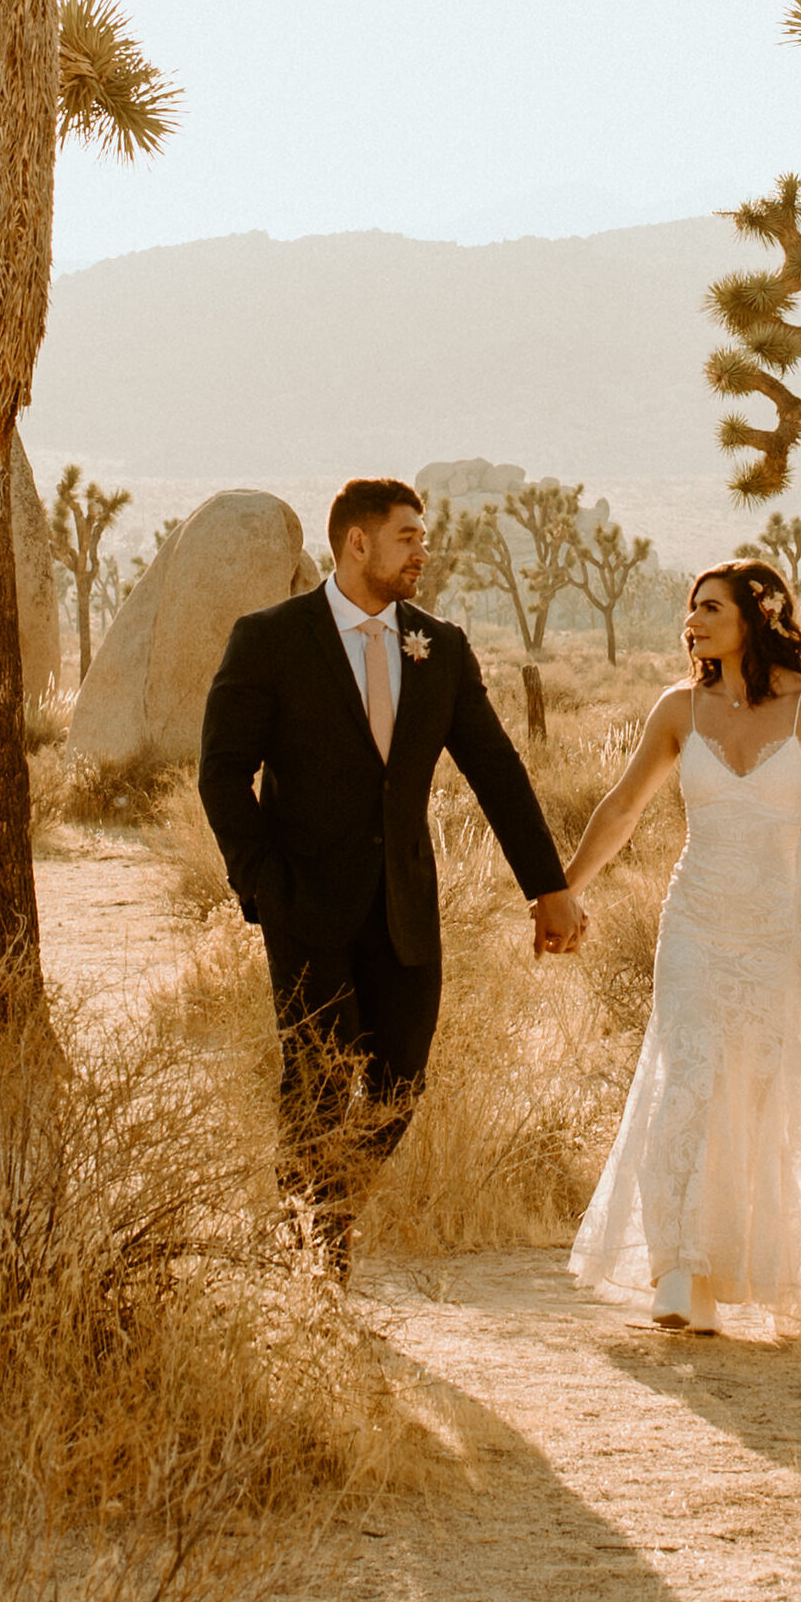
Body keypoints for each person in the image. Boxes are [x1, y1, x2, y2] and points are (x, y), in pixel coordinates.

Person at [199, 476, 589, 1258]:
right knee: (315, 1081)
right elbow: (221, 773)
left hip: (406, 908)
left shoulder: (439, 647)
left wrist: (548, 888)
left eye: (423, 535)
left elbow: (497, 770)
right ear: (357, 541)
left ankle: (331, 1209)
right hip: (304, 906)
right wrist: (263, 887)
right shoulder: (271, 638)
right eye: (408, 535)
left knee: (399, 1087)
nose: (423, 549)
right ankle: (311, 1245)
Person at [562, 558, 801, 1338]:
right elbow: (624, 806)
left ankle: (747, 1271)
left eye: (710, 609)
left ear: (755, 617)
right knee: (687, 1079)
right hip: (695, 920)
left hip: (775, 926)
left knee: (760, 1094)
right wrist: (566, 889)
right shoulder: (678, 709)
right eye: (691, 611)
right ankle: (679, 1276)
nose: (692, 623)